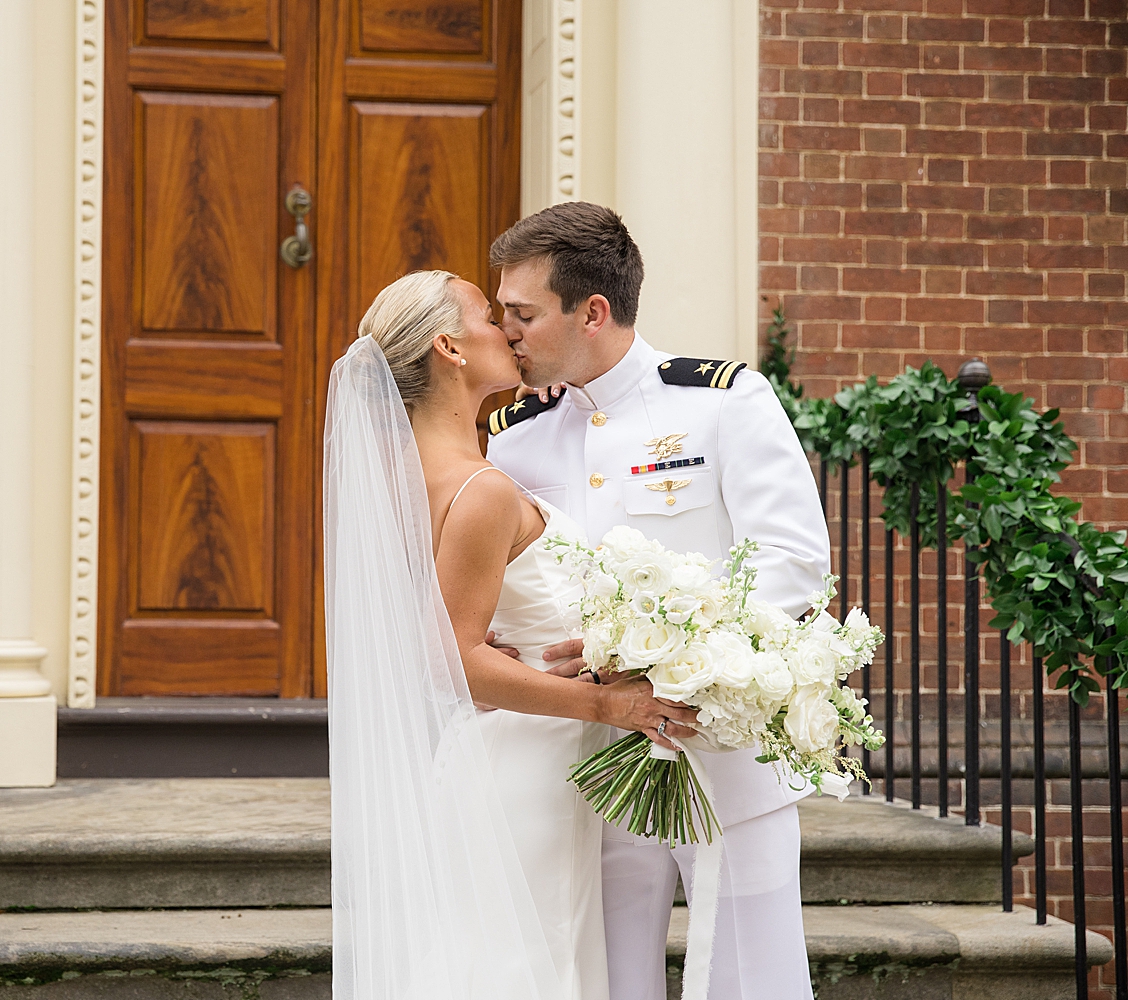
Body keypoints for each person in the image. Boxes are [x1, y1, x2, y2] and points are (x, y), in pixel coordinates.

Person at [485, 202, 829, 1000]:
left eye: (524, 313)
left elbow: (792, 563)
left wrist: (667, 655)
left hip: (720, 746)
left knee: (751, 977)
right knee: (605, 975)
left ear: (592, 312)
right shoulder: (514, 434)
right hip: (582, 758)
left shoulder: (719, 402)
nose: (507, 332)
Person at [325, 269, 699, 1000]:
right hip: (530, 764)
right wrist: (611, 706)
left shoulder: (414, 475)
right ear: (450, 348)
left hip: (502, 756)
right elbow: (455, 663)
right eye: (488, 318)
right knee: (530, 969)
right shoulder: (481, 489)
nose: (508, 329)